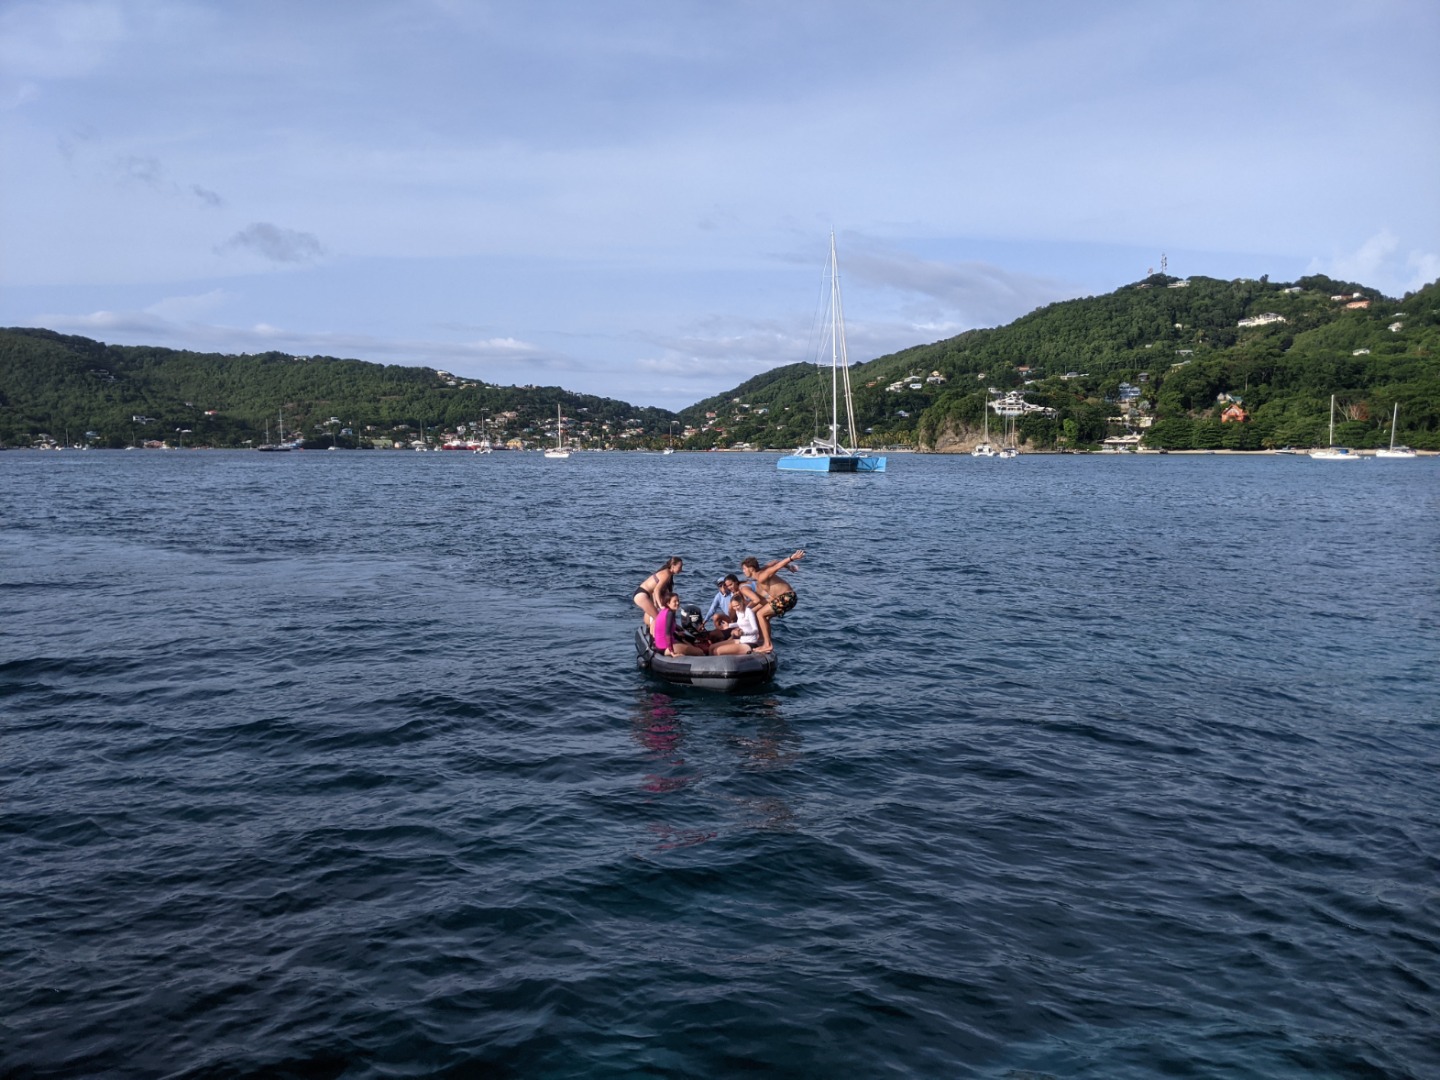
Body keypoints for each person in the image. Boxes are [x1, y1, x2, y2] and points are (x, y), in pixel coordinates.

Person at [739, 549, 803, 653]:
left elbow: (776, 567)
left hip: (787, 597)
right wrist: (789, 567)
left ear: (751, 569)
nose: (743, 571)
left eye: (744, 568)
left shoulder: (762, 576)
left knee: (760, 614)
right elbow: (775, 562)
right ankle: (763, 640)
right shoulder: (761, 571)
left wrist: (791, 558)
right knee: (766, 617)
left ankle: (768, 645)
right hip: (786, 598)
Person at [632, 557, 683, 629]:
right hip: (641, 595)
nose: (681, 569)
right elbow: (656, 590)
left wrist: (656, 604)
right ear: (673, 566)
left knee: (655, 615)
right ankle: (654, 634)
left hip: (644, 594)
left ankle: (670, 627)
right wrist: (660, 605)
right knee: (657, 618)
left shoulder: (668, 574)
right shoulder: (666, 574)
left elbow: (654, 591)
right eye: (680, 567)